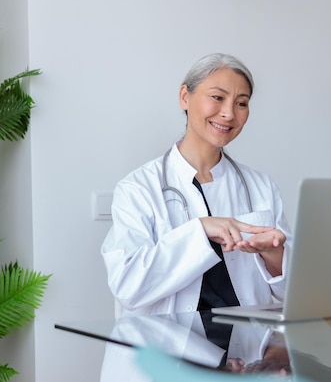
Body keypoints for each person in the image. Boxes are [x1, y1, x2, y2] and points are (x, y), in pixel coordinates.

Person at [101, 53, 293, 316]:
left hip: (245, 347)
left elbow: (294, 294)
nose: (228, 113)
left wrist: (274, 254)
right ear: (185, 97)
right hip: (167, 348)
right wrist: (200, 231)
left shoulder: (261, 186)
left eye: (241, 103)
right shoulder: (138, 188)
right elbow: (128, 287)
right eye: (217, 97)